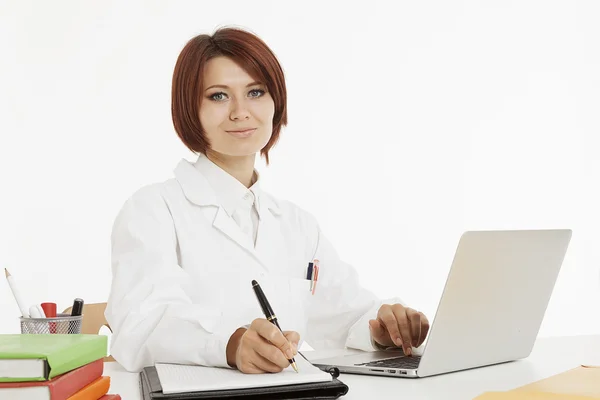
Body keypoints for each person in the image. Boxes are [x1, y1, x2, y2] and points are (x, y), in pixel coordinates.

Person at [105, 26, 430, 374]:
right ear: (189, 107)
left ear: (276, 102)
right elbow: (140, 325)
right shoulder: (152, 210)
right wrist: (229, 345)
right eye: (218, 96)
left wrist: (383, 329)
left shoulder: (297, 224)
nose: (240, 112)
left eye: (256, 92)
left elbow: (345, 314)